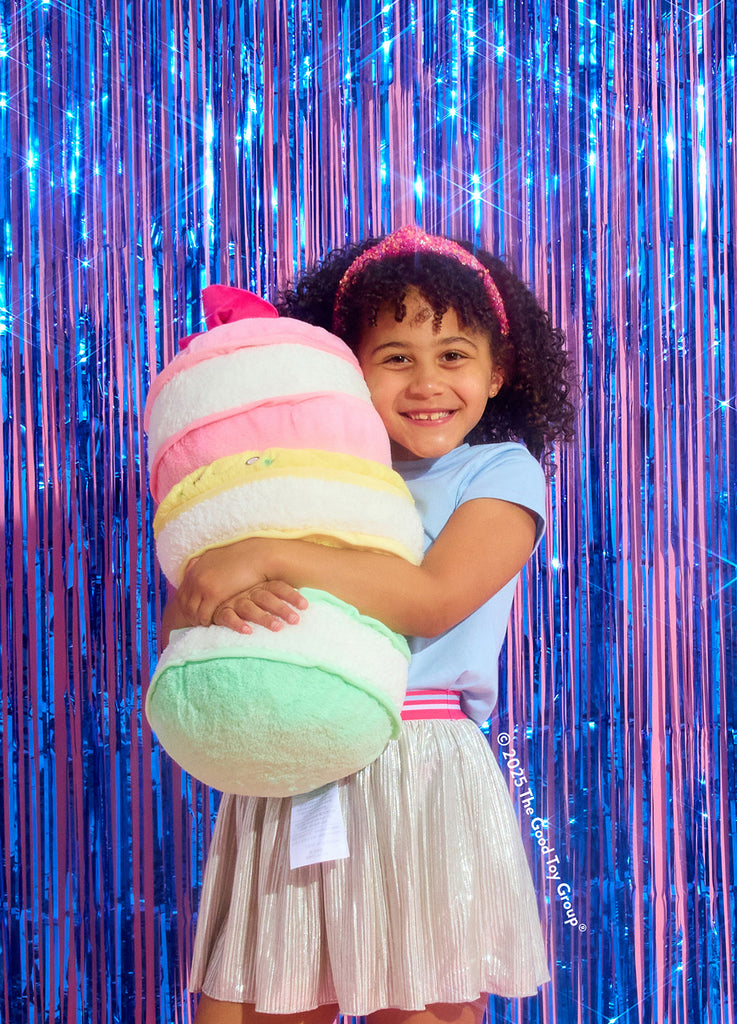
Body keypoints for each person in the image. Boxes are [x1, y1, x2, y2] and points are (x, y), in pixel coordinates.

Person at [168, 225, 576, 1024]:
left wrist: (268, 550)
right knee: (251, 1002)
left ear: (499, 371)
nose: (427, 381)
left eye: (453, 354)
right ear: (345, 372)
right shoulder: (307, 474)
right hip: (292, 762)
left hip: (416, 771)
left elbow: (430, 597)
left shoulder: (499, 472)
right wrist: (218, 596)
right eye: (395, 357)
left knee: (419, 1007)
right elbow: (194, 614)